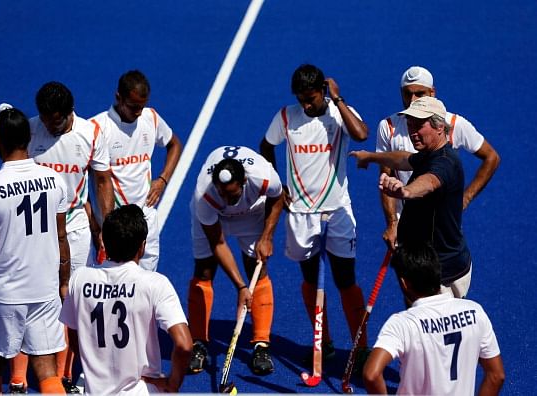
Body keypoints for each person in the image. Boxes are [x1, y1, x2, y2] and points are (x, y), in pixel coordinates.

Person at [260, 64, 370, 370]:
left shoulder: (339, 113)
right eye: (301, 99)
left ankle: (360, 347)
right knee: (310, 280)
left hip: (336, 211)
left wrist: (338, 99)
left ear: (323, 90)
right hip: (300, 215)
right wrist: (277, 185)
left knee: (345, 280)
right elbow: (266, 146)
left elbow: (361, 134)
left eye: (311, 98)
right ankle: (324, 341)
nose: (306, 105)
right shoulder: (286, 117)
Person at [10, 81, 115, 393]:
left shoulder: (92, 133)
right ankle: (18, 380)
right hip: (33, 229)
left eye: (54, 119)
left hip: (74, 226)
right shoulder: (29, 131)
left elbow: (102, 181)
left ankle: (65, 376)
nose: (48, 125)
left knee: (72, 301)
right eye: (43, 118)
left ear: (68, 113)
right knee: (28, 299)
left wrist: (105, 228)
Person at [0, 107, 70, 394]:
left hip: (3, 294)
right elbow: (61, 237)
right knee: (47, 371)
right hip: (44, 290)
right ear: (29, 138)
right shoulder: (56, 180)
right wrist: (63, 281)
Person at [60, 204, 192, 395]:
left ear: (104, 242)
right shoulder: (155, 284)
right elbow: (185, 345)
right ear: (143, 246)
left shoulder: (80, 280)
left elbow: (74, 338)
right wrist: (173, 383)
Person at [351, 96, 473, 299]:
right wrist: (370, 156)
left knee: (430, 328)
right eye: (410, 124)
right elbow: (404, 159)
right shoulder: (429, 153)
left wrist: (405, 192)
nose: (412, 131)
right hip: (430, 264)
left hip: (439, 273)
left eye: (419, 125)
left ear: (440, 127)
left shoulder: (444, 163)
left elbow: (430, 182)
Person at [376, 66, 500, 250]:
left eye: (420, 94)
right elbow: (386, 178)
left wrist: (465, 198)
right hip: (406, 223)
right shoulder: (388, 127)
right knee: (409, 279)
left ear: (432, 93)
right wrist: (393, 223)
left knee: (446, 276)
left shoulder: (453, 123)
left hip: (442, 226)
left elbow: (491, 157)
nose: (413, 101)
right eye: (407, 94)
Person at [187, 146, 284, 375]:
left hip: (251, 213)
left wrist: (266, 237)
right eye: (223, 194)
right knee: (204, 270)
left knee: (256, 271)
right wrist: (240, 287)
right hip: (213, 216)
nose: (228, 199)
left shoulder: (263, 178)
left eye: (232, 194)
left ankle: (261, 345)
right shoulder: (206, 196)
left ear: (243, 182)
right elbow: (218, 244)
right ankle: (199, 342)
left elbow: (278, 198)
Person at [363, 243, 505, 395]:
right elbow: (496, 375)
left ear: (404, 283)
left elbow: (371, 375)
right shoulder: (475, 312)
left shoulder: (402, 324)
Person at [90, 69, 183, 271]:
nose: (139, 112)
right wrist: (99, 228)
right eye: (133, 107)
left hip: (146, 220)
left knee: (145, 289)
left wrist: (163, 180)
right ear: (118, 97)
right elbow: (91, 184)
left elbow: (174, 144)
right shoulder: (96, 128)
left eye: (142, 106)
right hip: (115, 229)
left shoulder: (150, 118)